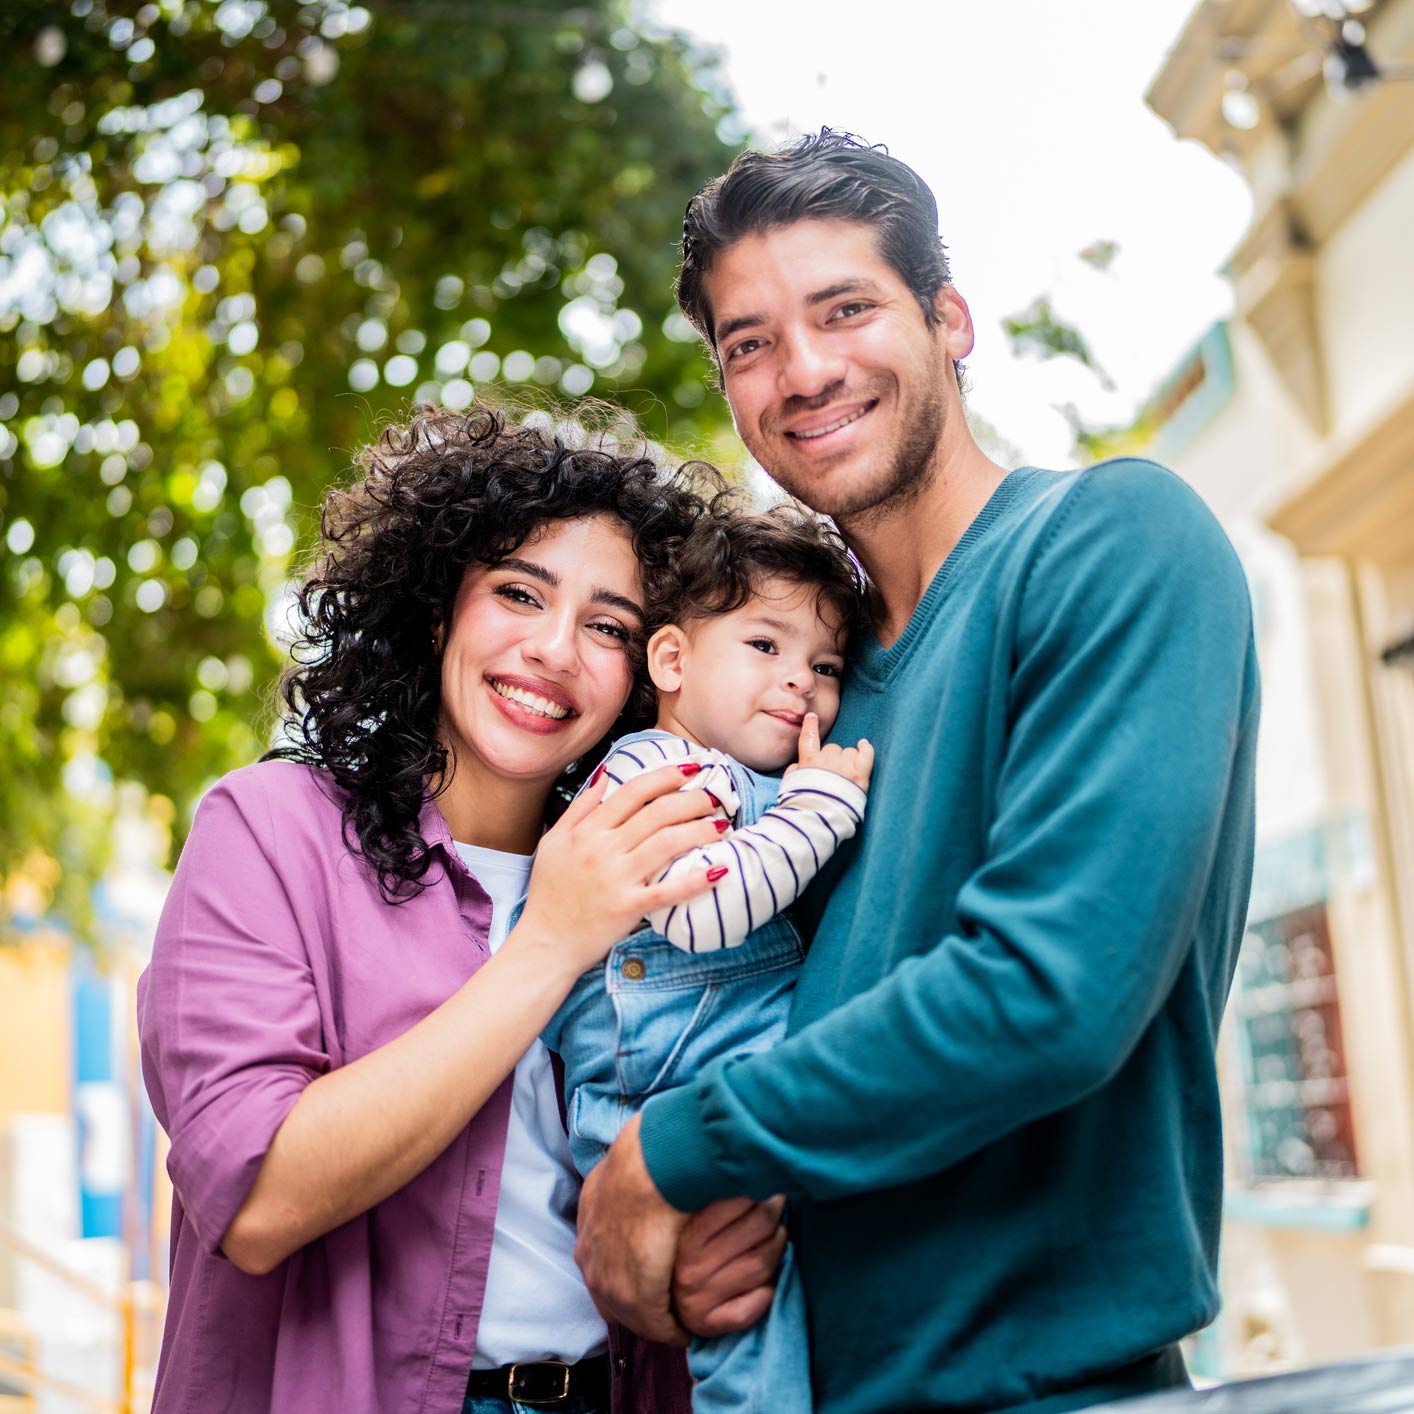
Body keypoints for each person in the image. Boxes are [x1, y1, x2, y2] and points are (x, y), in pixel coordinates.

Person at [573, 131, 1262, 1414]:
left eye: (845, 309)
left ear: (949, 319)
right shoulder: (794, 698)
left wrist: (670, 1153)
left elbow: (1049, 990)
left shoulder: (1108, 541)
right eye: (750, 343)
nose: (804, 371)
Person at [137, 404, 767, 1414]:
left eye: (608, 626)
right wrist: (549, 942)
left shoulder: (681, 877)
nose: (555, 650)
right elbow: (255, 1199)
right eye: (519, 592)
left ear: (653, 670)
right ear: (439, 610)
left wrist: (690, 1271)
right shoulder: (268, 831)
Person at [543, 503, 873, 1413]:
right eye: (765, 645)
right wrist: (822, 810)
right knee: (748, 1327)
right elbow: (701, 911)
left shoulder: (745, 780)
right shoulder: (654, 772)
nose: (801, 680)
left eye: (826, 666)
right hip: (662, 1099)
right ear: (672, 662)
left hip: (724, 1083)